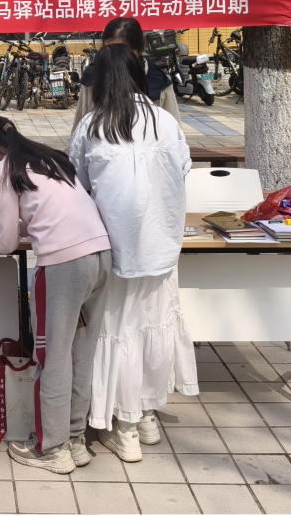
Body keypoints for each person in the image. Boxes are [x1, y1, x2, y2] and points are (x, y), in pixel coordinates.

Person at [68, 44, 199, 462]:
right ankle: (144, 415)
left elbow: (78, 184)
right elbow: (182, 170)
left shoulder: (92, 126)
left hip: (113, 250)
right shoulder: (165, 121)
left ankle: (121, 427)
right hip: (161, 248)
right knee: (151, 326)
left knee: (116, 332)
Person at [0, 116, 112, 475]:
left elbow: (5, 242)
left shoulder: (2, 172)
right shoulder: (48, 158)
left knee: (52, 357)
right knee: (81, 354)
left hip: (64, 265)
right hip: (101, 255)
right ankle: (74, 439)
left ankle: (50, 448)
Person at [73, 18, 179, 129]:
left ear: (139, 50)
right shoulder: (92, 77)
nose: (116, 58)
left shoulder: (159, 84)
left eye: (123, 52)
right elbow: (79, 125)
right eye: (109, 50)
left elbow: (174, 130)